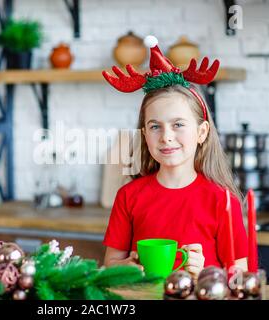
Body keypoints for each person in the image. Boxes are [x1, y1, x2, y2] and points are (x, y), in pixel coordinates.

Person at [101, 36, 248, 280]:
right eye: (155, 126)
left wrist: (206, 274)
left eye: (178, 124)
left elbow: (240, 275)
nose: (166, 137)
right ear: (145, 134)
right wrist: (126, 266)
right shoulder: (128, 196)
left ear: (202, 132)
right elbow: (111, 264)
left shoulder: (222, 200)